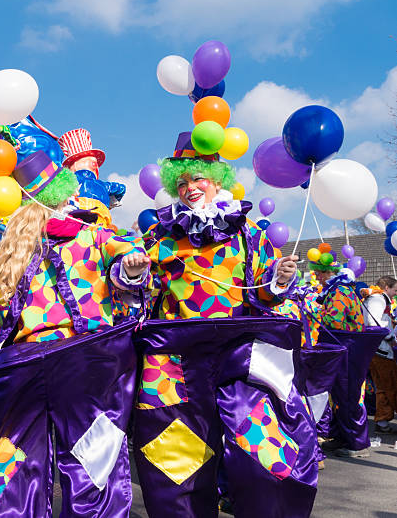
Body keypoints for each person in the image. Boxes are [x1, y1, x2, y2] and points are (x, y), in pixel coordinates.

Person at [133, 133, 317, 518]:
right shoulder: (161, 236)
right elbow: (144, 291)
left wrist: (279, 280)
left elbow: (262, 291)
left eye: (197, 179)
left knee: (261, 454)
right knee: (176, 460)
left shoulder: (248, 233)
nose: (189, 189)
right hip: (174, 360)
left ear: (216, 179)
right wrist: (132, 274)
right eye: (181, 183)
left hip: (239, 355)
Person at [0, 151, 150, 517]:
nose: (70, 204)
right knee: (26, 450)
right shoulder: (18, 249)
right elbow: (5, 309)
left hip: (80, 358)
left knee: (85, 452)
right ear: (44, 203)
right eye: (63, 198)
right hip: (43, 362)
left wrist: (130, 267)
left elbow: (126, 255)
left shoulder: (95, 236)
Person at [314, 259, 386, 458]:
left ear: (329, 273)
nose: (317, 277)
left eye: (320, 273)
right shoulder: (341, 289)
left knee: (347, 395)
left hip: (345, 350)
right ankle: (342, 436)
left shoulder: (339, 292)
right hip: (342, 349)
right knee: (339, 395)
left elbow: (333, 320)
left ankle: (357, 444)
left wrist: (313, 313)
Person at [362, 276, 397, 433]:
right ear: (386, 288)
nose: (395, 294)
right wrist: (390, 339)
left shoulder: (377, 298)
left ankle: (382, 421)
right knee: (389, 386)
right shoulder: (377, 299)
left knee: (384, 386)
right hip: (381, 350)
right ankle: (382, 421)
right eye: (395, 290)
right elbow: (373, 322)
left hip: (377, 349)